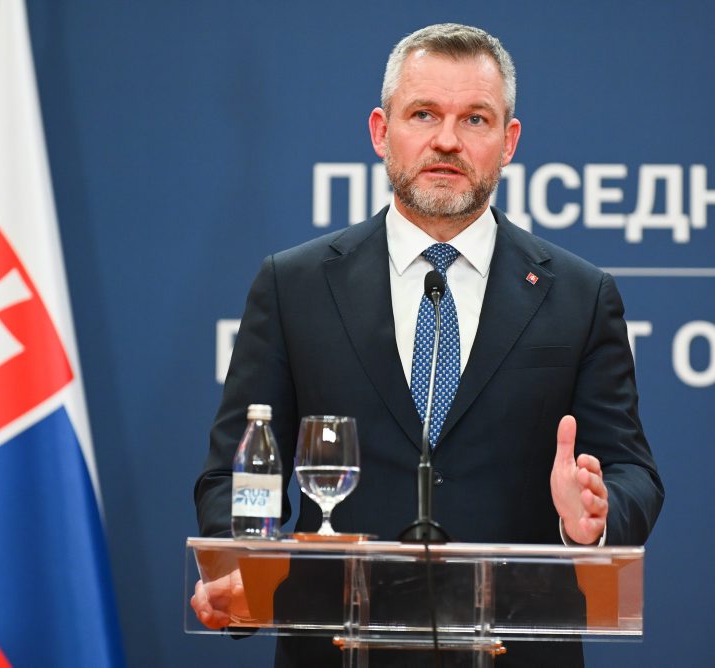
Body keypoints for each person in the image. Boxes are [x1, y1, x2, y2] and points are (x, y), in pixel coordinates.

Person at [193, 23, 663, 666]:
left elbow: (632, 471)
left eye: (475, 119)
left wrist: (594, 517)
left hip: (515, 649)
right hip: (339, 649)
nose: (446, 139)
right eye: (423, 114)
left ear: (508, 142)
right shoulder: (293, 286)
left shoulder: (580, 296)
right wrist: (240, 566)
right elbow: (237, 471)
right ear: (381, 132)